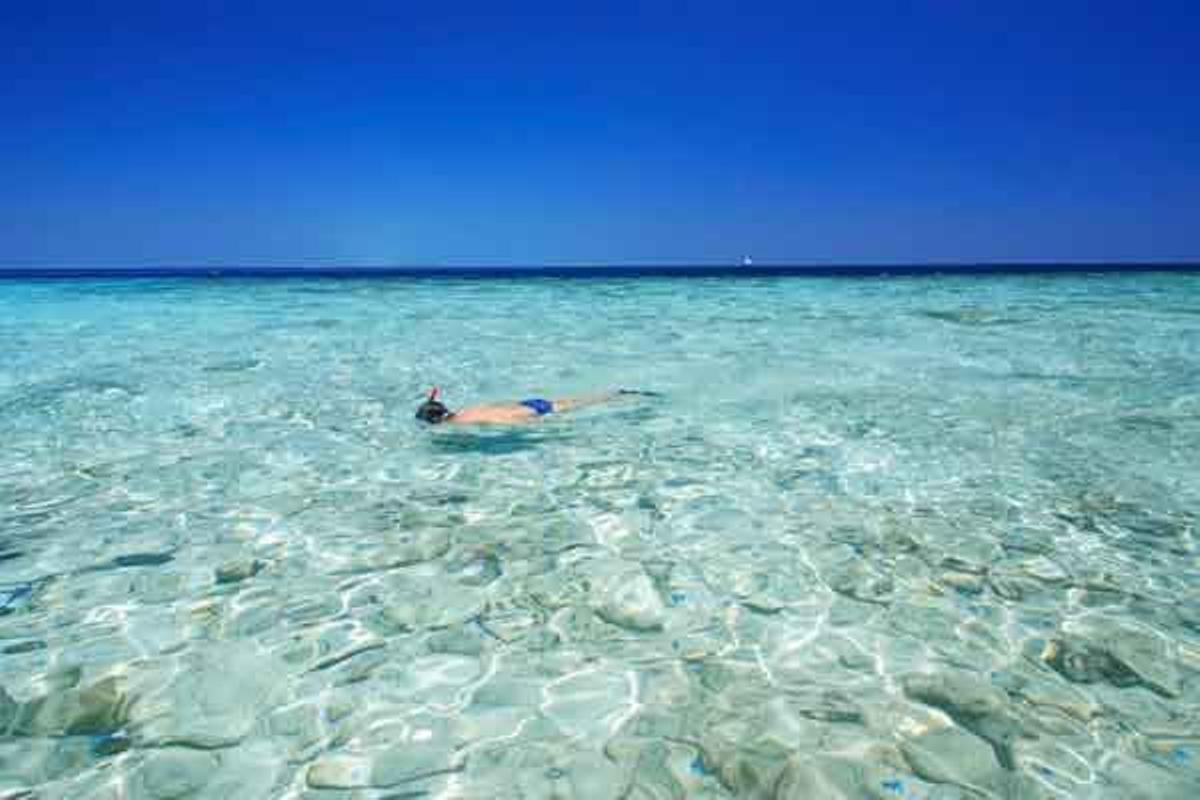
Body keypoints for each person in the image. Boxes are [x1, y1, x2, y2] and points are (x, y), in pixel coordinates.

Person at [415, 387, 658, 425]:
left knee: (586, 404)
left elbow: (504, 422)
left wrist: (539, 427)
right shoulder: (466, 410)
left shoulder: (462, 422)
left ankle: (620, 395)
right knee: (582, 399)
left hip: (532, 412)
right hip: (529, 402)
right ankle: (617, 392)